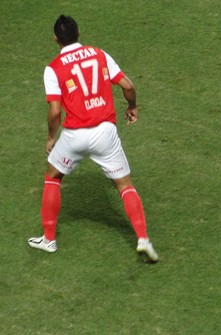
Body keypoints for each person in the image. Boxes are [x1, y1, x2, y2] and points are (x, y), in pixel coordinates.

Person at [28, 15, 158, 262]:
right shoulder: (100, 54)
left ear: (56, 39)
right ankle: (143, 239)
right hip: (105, 133)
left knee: (53, 176)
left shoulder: (53, 68)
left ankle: (48, 239)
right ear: (79, 33)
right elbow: (128, 86)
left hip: (75, 135)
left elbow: (55, 110)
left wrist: (50, 137)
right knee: (124, 185)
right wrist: (133, 107)